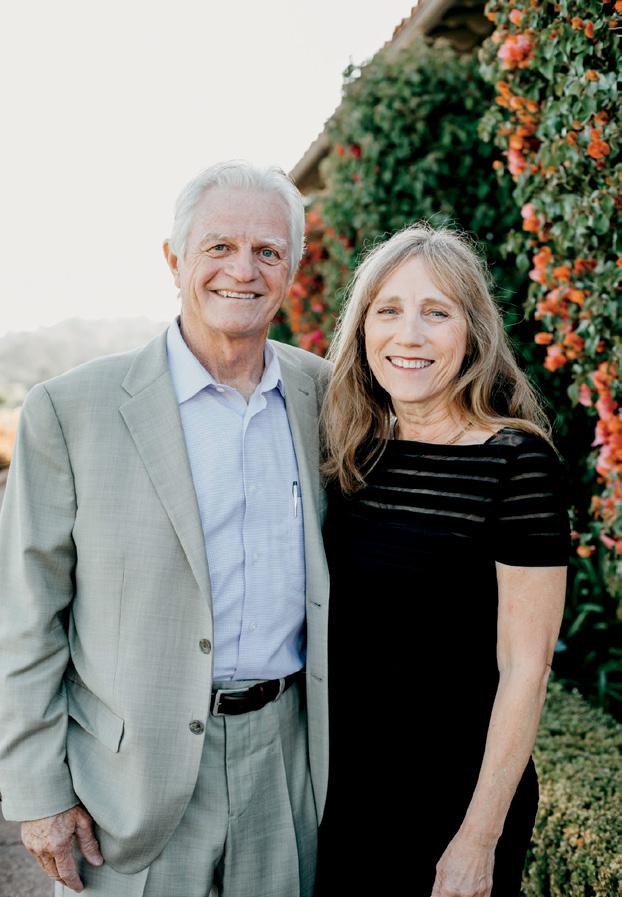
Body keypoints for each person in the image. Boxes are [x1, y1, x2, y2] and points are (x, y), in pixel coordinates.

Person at [0, 161, 331, 897]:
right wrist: (37, 790)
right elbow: (25, 613)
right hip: (124, 783)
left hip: (285, 766)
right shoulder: (69, 410)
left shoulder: (327, 395)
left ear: (292, 268)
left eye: (267, 251)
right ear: (174, 259)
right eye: (219, 247)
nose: (242, 270)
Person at [314, 224, 568, 897]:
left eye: (436, 312)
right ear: (362, 329)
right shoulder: (348, 451)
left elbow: (526, 667)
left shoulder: (518, 463)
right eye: (388, 310)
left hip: (456, 801)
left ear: (472, 333)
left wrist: (478, 838)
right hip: (344, 793)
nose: (410, 335)